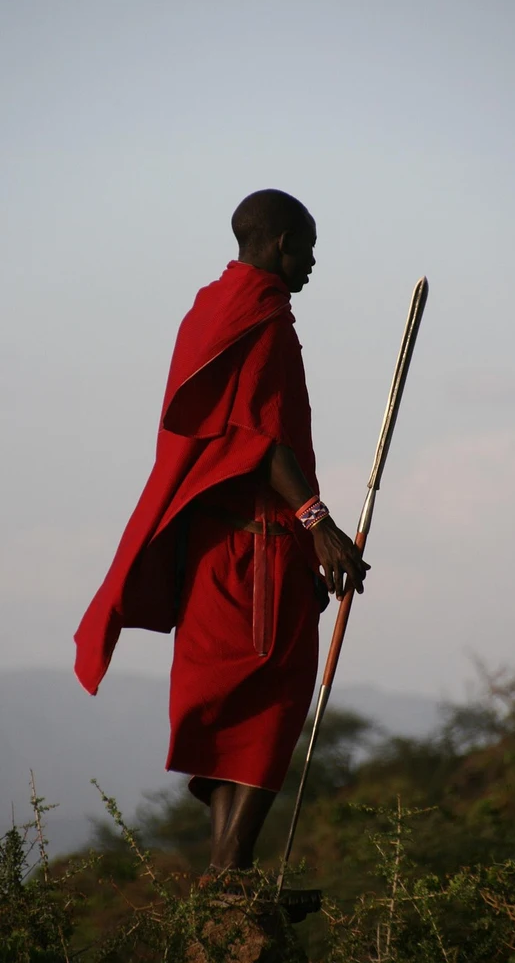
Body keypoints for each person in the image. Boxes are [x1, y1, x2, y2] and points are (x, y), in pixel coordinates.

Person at [74, 189, 369, 875]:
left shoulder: (209, 309)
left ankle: (224, 875)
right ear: (281, 243)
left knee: (230, 706)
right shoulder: (263, 319)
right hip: (257, 548)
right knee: (274, 701)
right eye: (309, 248)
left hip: (208, 548)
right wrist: (319, 524)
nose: (313, 263)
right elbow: (260, 440)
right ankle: (230, 871)